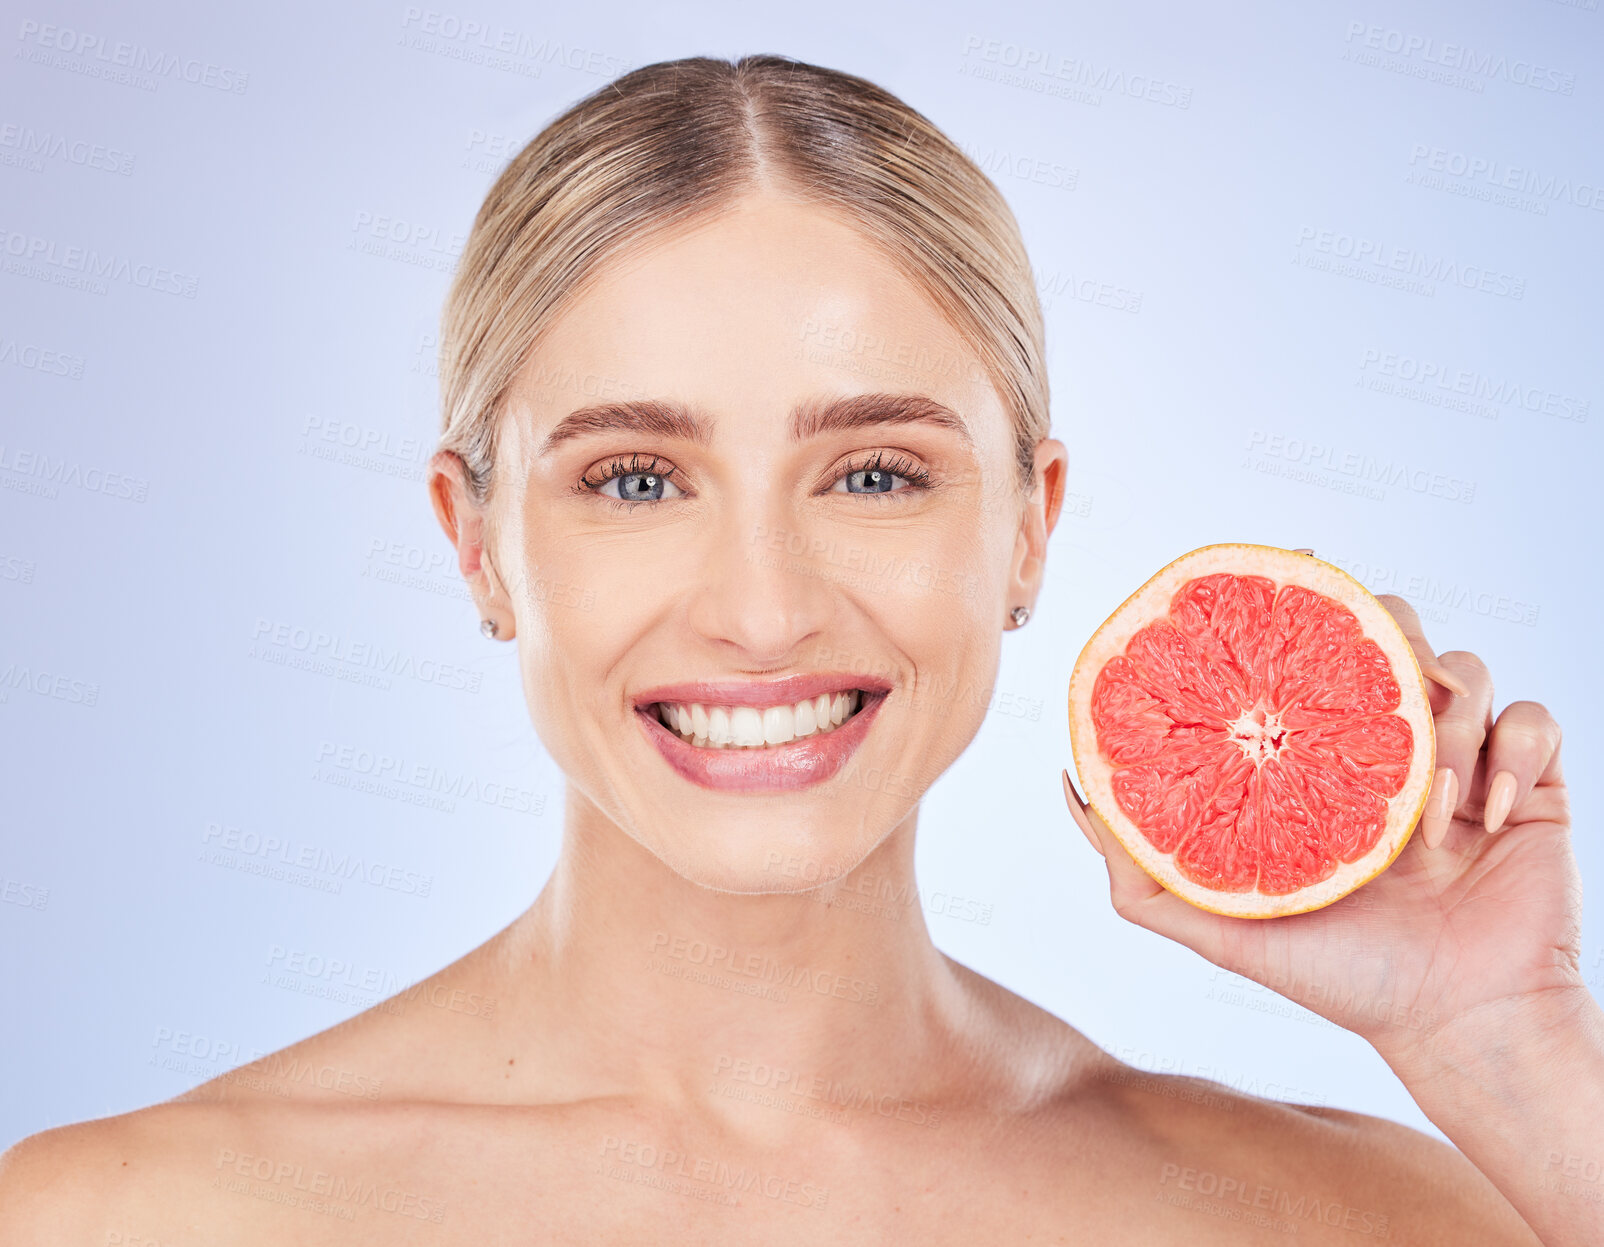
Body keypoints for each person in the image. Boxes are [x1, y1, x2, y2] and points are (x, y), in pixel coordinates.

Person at [1, 54, 1594, 1244]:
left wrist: (1502, 1039)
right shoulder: (132, 1216)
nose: (762, 610)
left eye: (876, 473)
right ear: (475, 537)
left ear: (1030, 524)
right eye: (635, 479)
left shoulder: (1365, 1221)